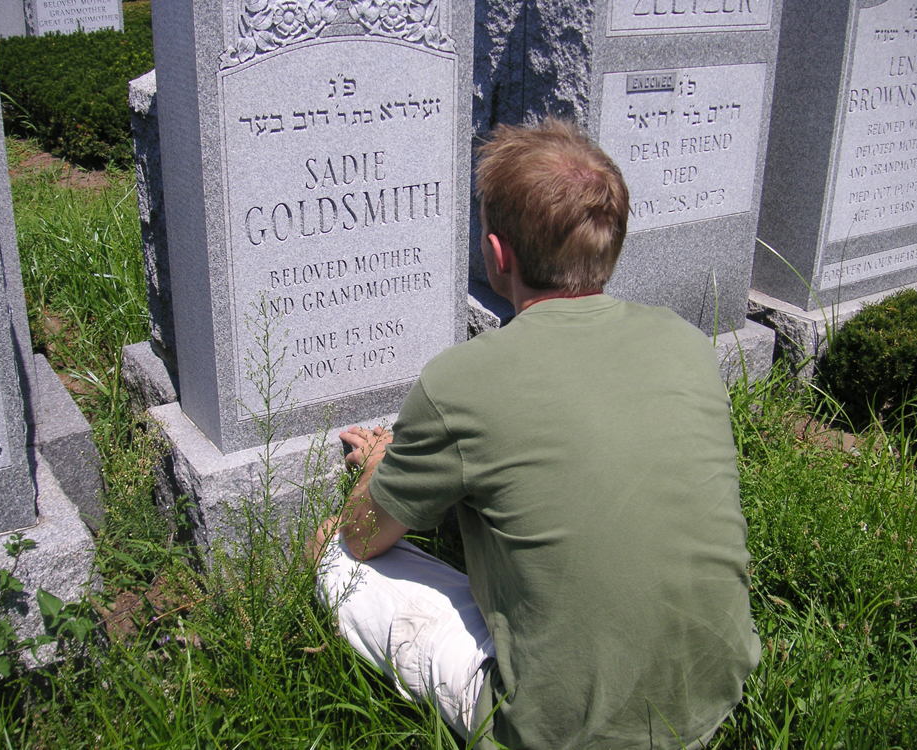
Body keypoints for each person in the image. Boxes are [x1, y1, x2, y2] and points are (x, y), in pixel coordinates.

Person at [309, 119, 760, 749]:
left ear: (498, 255)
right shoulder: (687, 345)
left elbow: (364, 537)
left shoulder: (460, 381)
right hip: (713, 691)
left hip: (560, 733)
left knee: (333, 555)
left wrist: (378, 473)